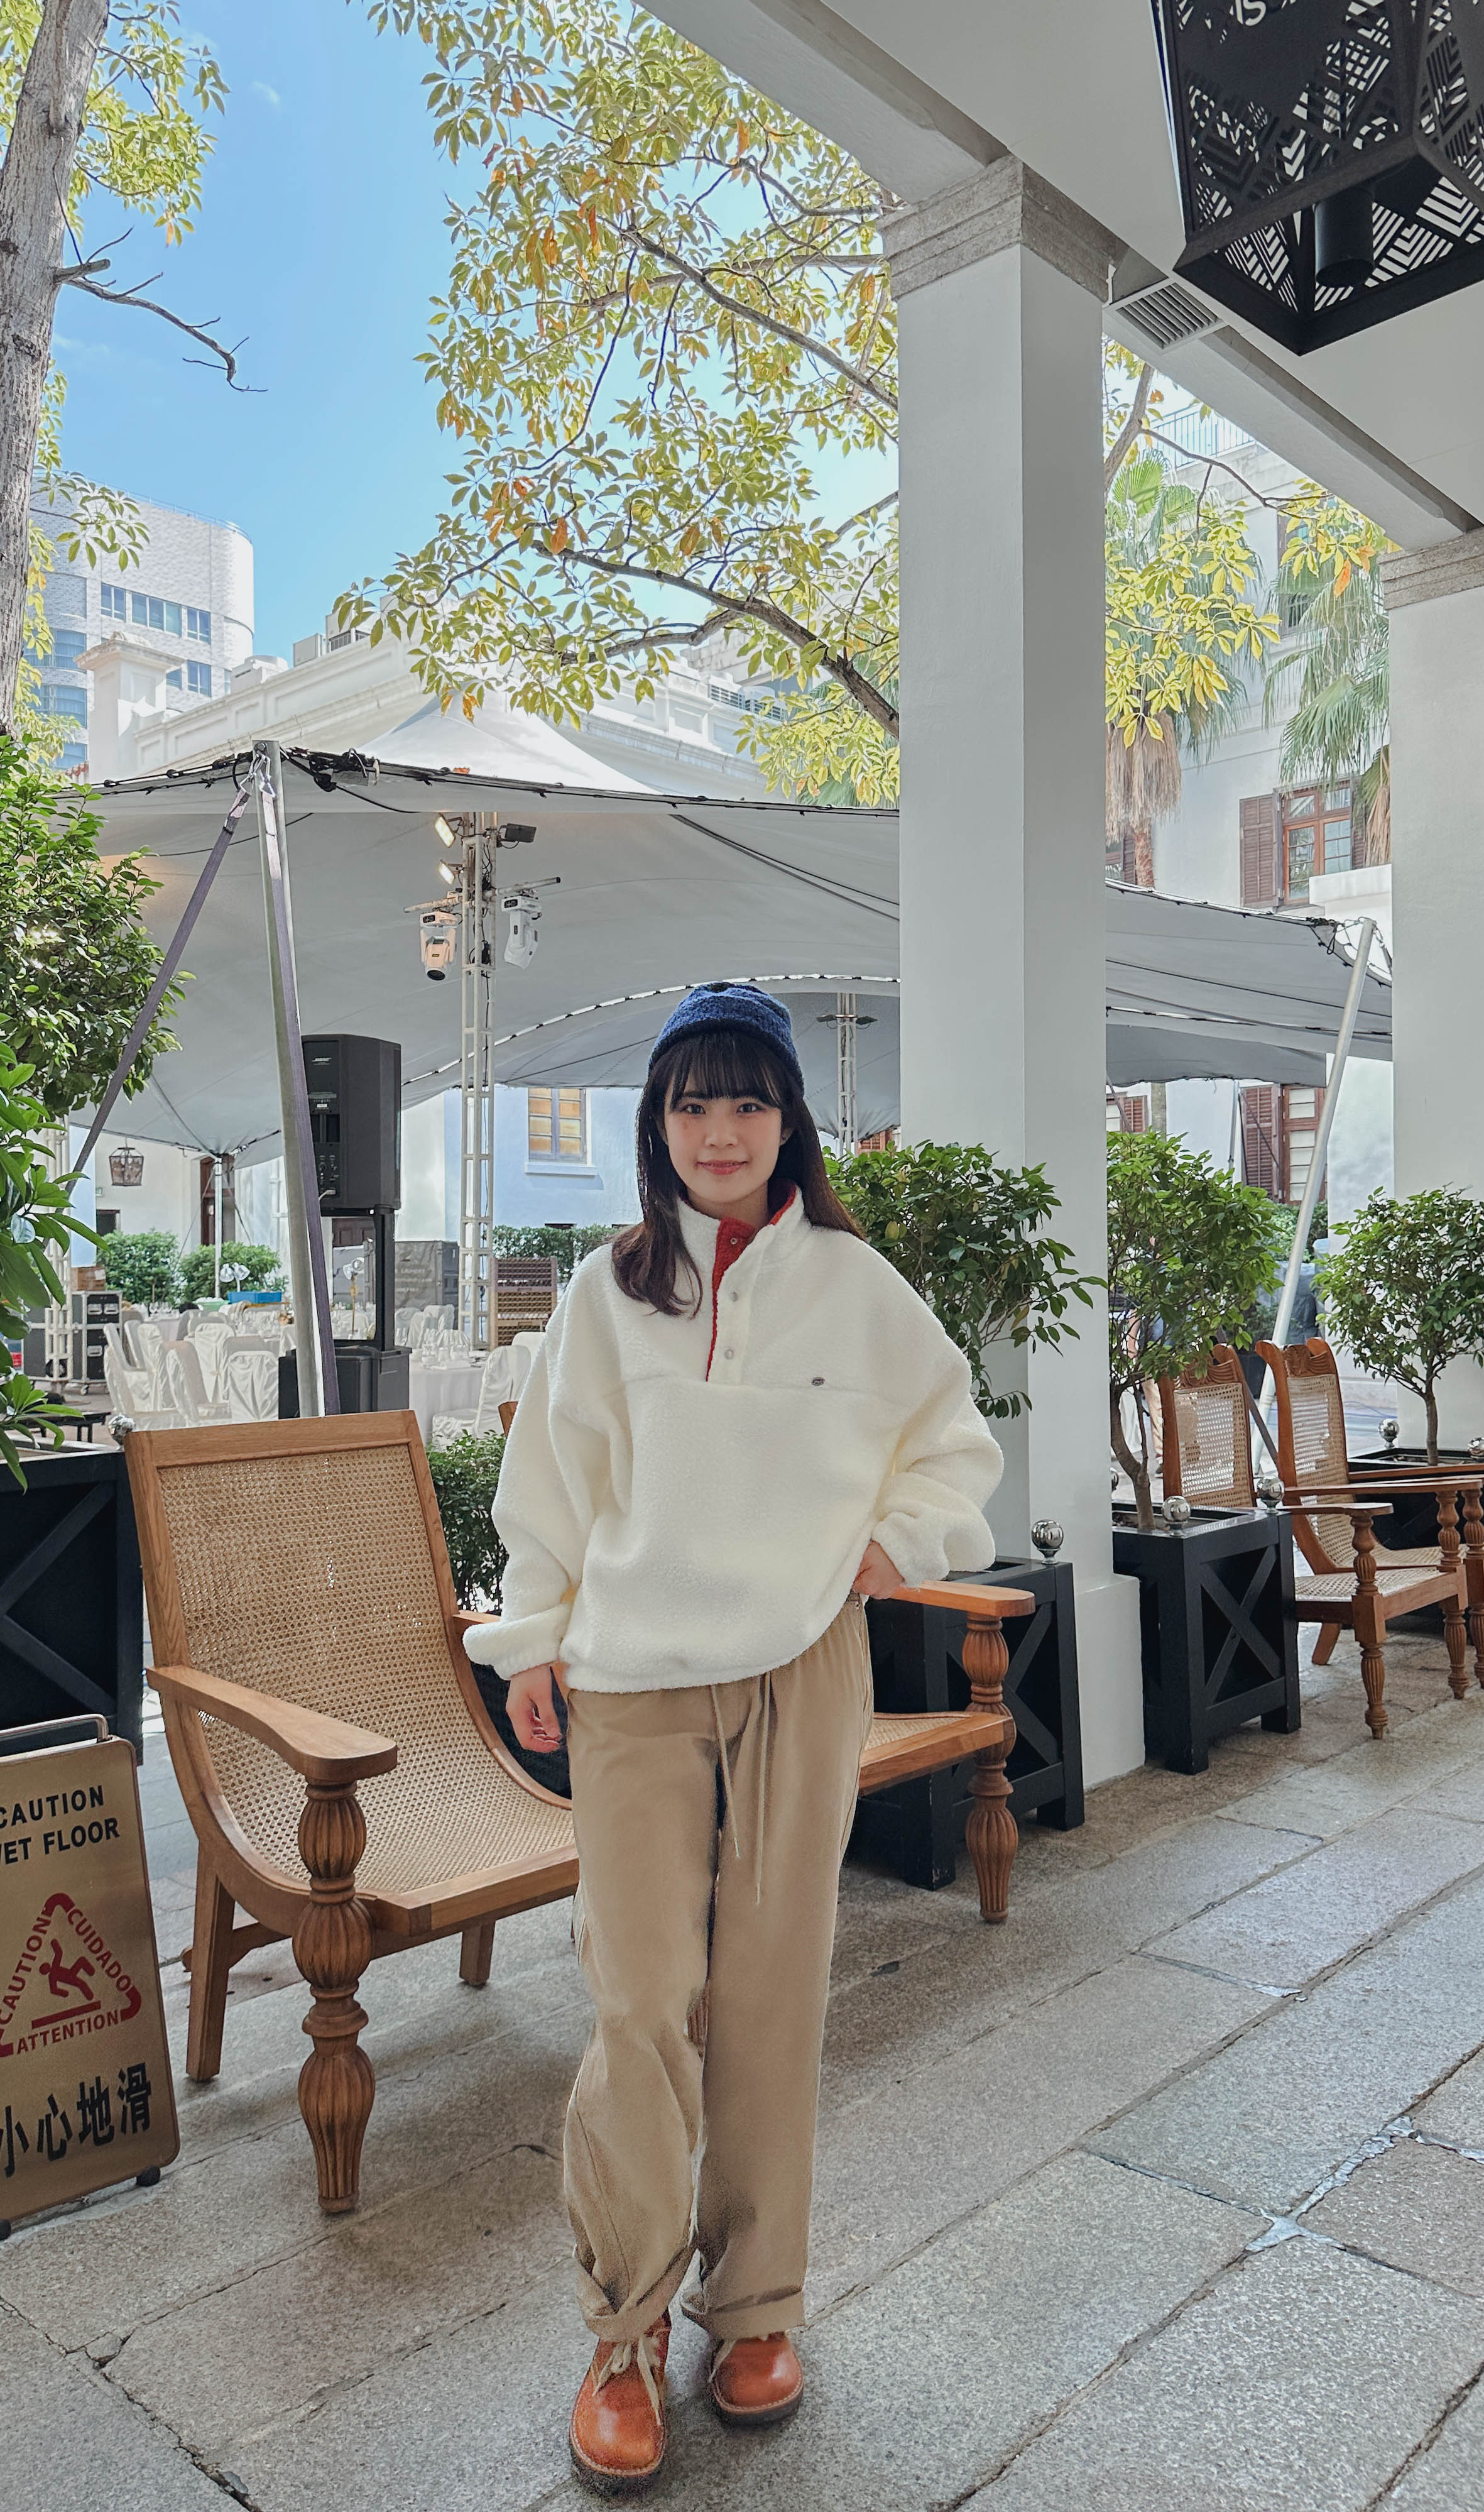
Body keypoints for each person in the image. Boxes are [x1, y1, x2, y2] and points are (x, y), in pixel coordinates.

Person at [463, 982, 1003, 2496]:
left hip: (800, 1669)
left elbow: (953, 1440)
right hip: (632, 1680)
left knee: (770, 1994)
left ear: (787, 1121)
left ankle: (756, 2307)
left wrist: (896, 1540)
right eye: (691, 1103)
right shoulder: (605, 1292)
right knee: (640, 1996)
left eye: (746, 1102)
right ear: (657, 1123)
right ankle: (623, 2327)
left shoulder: (853, 1283)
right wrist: (530, 1640)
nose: (718, 1130)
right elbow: (549, 1483)